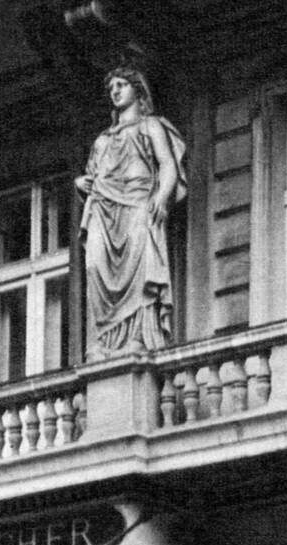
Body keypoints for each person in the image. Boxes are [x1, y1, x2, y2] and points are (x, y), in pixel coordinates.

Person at [75, 66, 186, 358]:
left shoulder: (151, 126)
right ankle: (105, 341)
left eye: (122, 84)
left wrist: (162, 197)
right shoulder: (103, 140)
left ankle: (137, 337)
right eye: (112, 86)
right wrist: (80, 183)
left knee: (140, 268)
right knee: (95, 266)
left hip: (138, 203)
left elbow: (168, 165)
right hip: (103, 207)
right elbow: (92, 176)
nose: (115, 90)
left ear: (137, 90)